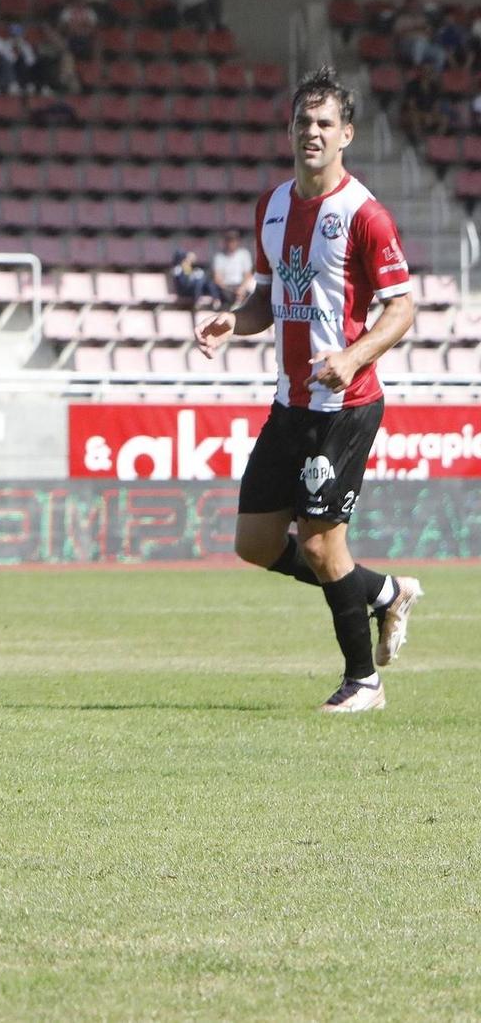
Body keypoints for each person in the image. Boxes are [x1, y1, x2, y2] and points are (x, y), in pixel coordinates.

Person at [195, 67, 423, 714]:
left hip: (344, 407)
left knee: (323, 544)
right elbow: (267, 300)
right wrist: (232, 320)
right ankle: (383, 593)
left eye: (325, 123)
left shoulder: (364, 214)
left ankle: (364, 682)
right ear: (289, 130)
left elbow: (402, 309)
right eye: (304, 121)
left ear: (347, 133)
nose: (313, 132)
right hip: (290, 403)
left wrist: (352, 358)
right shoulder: (271, 206)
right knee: (256, 542)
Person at [210, 227, 255, 306]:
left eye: (233, 240)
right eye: (229, 240)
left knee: (253, 283)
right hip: (226, 288)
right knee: (213, 286)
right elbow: (217, 278)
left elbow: (248, 274)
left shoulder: (244, 254)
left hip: (242, 286)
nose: (231, 243)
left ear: (238, 241)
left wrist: (241, 288)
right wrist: (231, 290)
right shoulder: (219, 256)